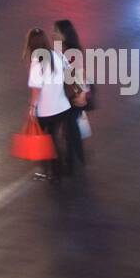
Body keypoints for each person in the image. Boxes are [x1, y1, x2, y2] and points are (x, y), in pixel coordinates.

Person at [25, 27, 74, 181]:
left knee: (46, 141)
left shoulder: (36, 62)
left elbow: (36, 89)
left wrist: (32, 108)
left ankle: (52, 171)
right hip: (63, 107)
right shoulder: (57, 55)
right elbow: (70, 73)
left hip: (46, 111)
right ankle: (62, 167)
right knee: (55, 138)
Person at [54, 18, 90, 167]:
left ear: (64, 34)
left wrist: (81, 94)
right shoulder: (61, 48)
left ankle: (75, 160)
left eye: (56, 31)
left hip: (72, 94)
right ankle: (74, 159)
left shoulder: (71, 51)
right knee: (69, 127)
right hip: (66, 93)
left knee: (71, 128)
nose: (53, 33)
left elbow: (79, 73)